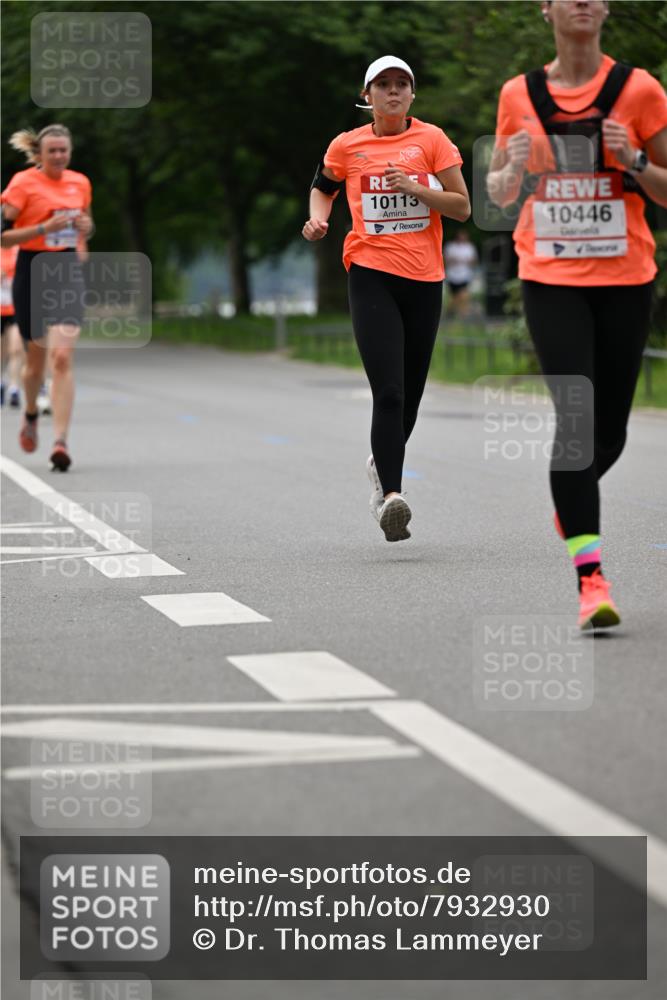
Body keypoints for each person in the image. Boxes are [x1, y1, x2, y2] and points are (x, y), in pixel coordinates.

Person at [487, 0, 667, 628]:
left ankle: (572, 499)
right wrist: (511, 168)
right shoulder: (518, 94)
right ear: (548, 10)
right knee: (576, 416)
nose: (584, 1)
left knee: (609, 433)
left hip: (625, 277)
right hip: (550, 275)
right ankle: (591, 581)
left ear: (606, 8)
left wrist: (635, 160)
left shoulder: (639, 90)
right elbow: (497, 192)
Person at [303, 56, 470, 541]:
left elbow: (461, 207)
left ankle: (381, 463)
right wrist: (319, 219)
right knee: (390, 392)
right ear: (368, 95)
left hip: (424, 279)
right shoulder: (347, 145)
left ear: (412, 95)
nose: (393, 91)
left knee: (411, 398)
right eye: (383, 84)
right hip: (370, 273)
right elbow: (323, 188)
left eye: (402, 84)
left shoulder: (432, 141)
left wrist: (416, 187)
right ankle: (391, 497)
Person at [1, 124, 93, 471]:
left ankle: (60, 442)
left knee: (62, 358)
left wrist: (86, 228)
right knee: (35, 364)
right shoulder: (22, 184)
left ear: (70, 152)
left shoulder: (80, 182)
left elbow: (87, 225)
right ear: (39, 154)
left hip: (66, 269)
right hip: (31, 269)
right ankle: (30, 413)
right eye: (52, 151)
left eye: (63, 150)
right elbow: (3, 237)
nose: (58, 156)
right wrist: (42, 228)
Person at [1, 244, 23, 407]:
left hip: (16, 307)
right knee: (2, 352)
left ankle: (14, 388)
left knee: (16, 349)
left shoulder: (19, 248)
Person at [444, 229, 478, 318]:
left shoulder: (470, 247)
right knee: (455, 296)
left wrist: (469, 262)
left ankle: (464, 313)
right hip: (452, 275)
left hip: (465, 275)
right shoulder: (450, 246)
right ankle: (450, 310)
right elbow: (446, 260)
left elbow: (474, 261)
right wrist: (454, 260)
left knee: (464, 294)